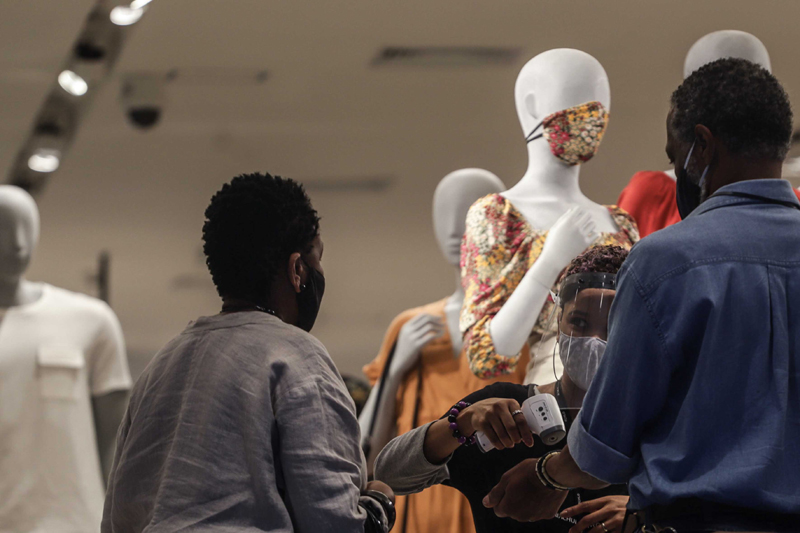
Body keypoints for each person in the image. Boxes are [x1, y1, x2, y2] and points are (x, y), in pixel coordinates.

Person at [482, 59, 800, 532]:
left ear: (702, 145)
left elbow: (607, 442)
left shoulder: (667, 263)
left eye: (675, 156)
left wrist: (546, 476)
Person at [102, 173, 395, 533]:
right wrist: (379, 502)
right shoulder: (297, 357)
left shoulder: (160, 366)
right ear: (297, 269)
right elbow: (334, 521)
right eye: (317, 258)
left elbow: (117, 515)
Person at [375, 246, 631, 533]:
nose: (594, 340)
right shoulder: (508, 414)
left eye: (612, 325)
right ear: (559, 324)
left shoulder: (658, 428)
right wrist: (461, 423)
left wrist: (644, 516)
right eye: (579, 322)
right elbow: (390, 474)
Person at [359, 169, 527, 533]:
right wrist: (393, 370)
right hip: (417, 509)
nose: (454, 226)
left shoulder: (523, 328)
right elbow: (363, 454)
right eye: (444, 211)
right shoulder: (409, 327)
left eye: (468, 211)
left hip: (491, 507)